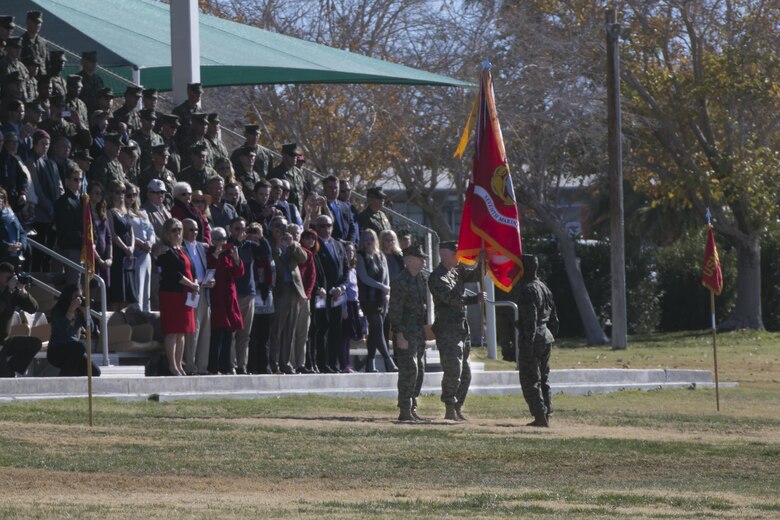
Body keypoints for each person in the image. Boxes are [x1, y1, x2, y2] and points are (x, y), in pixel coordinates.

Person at [428, 241, 485, 421]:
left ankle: (458, 406)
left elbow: (475, 275)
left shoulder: (456, 271)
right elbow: (450, 299)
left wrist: (483, 262)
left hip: (461, 328)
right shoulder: (437, 277)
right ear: (444, 255)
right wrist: (474, 299)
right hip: (447, 330)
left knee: (465, 373)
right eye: (455, 254)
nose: (459, 257)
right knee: (453, 370)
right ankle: (449, 407)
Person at [513, 254, 559, 427]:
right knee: (544, 377)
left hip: (533, 339)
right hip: (546, 336)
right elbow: (555, 319)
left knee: (530, 378)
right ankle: (548, 412)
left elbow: (530, 321)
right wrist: (550, 335)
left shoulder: (528, 290)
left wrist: (528, 343)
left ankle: (539, 415)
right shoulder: (544, 287)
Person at [387, 244, 429, 422]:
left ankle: (412, 407)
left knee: (419, 370)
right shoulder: (400, 281)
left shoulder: (420, 278)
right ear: (409, 260)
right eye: (420, 258)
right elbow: (394, 310)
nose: (423, 261)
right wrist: (399, 334)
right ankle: (404, 409)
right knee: (408, 370)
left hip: (418, 331)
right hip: (405, 331)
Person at [156, 218, 199, 376]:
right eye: (174, 230)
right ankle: (172, 365)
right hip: (172, 294)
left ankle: (180, 364)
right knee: (172, 331)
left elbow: (191, 270)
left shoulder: (182, 249)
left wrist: (195, 282)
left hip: (185, 294)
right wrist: (191, 285)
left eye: (180, 230)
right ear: (167, 232)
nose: (177, 233)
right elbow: (174, 274)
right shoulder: (166, 250)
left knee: (182, 332)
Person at [268, 216, 306, 374]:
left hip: (293, 290)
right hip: (278, 290)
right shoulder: (269, 244)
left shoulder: (292, 243)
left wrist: (291, 245)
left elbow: (303, 258)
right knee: (277, 329)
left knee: (290, 329)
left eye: (283, 227)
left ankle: (285, 362)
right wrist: (277, 247)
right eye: (277, 227)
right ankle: (274, 363)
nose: (280, 230)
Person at [356, 229, 396, 373]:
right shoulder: (360, 256)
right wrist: (383, 287)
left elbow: (386, 276)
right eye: (365, 239)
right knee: (377, 328)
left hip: (382, 298)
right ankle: (388, 360)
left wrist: (387, 292)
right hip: (368, 298)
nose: (368, 241)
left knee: (374, 332)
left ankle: (370, 363)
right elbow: (364, 277)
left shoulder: (380, 255)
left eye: (371, 239)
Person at [313, 214, 348, 373]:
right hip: (322, 293)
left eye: (329, 226)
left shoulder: (338, 245)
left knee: (336, 328)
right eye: (322, 226)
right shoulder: (315, 245)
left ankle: (333, 363)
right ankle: (322, 363)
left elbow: (346, 269)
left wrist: (342, 287)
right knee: (322, 328)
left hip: (337, 294)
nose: (326, 229)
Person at [207, 227, 244, 374]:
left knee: (229, 332)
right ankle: (214, 366)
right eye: (218, 240)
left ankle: (226, 365)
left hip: (230, 296)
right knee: (218, 331)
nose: (221, 243)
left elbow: (239, 273)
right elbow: (210, 270)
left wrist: (236, 258)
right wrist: (216, 255)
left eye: (223, 240)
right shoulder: (210, 253)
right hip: (217, 296)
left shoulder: (229, 254)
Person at [181, 218, 213, 375]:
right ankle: (190, 366)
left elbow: (204, 267)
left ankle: (202, 366)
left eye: (195, 230)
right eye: (190, 230)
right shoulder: (180, 247)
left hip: (204, 290)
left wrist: (210, 280)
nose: (194, 233)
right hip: (191, 292)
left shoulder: (200, 246)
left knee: (205, 331)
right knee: (193, 330)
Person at [47, 284, 102, 377]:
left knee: (95, 372)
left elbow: (91, 330)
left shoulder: (79, 312)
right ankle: (63, 378)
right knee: (79, 346)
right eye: (75, 297)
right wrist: (70, 310)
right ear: (68, 297)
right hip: (57, 351)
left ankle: (71, 380)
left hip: (74, 351)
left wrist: (86, 313)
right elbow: (63, 329)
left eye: (80, 296)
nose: (78, 299)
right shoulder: (58, 310)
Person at [0, 263, 41, 377]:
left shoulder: (12, 292)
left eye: (12, 278)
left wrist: (23, 293)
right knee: (6, 378)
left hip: (4, 341)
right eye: (8, 278)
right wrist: (8, 290)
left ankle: (12, 368)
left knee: (34, 344)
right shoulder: (8, 291)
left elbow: (33, 309)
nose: (10, 281)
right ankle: (7, 372)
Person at [106, 180, 137, 311]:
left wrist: (132, 248)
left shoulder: (125, 212)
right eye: (117, 192)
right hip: (118, 254)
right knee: (117, 290)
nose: (121, 195)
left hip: (128, 255)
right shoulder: (109, 212)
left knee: (127, 292)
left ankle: (123, 320)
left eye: (123, 192)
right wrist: (125, 248)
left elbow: (132, 232)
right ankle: (113, 323)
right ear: (111, 193)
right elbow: (112, 234)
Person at [247, 222, 273, 374]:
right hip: (251, 293)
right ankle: (251, 365)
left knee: (265, 334)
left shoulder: (264, 247)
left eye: (256, 231)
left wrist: (261, 238)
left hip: (264, 293)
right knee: (252, 334)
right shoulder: (246, 246)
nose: (253, 234)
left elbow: (266, 251)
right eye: (250, 231)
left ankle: (264, 365)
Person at [126, 183, 156, 313]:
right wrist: (139, 243)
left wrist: (150, 242)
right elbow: (127, 232)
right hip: (135, 252)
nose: (132, 197)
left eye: (134, 194)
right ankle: (137, 313)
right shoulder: (123, 213)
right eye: (129, 195)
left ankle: (146, 313)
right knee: (137, 286)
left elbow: (151, 231)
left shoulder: (142, 212)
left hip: (146, 252)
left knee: (146, 286)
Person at [53, 164, 83, 284]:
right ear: (67, 181)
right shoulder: (64, 202)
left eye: (80, 179)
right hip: (71, 249)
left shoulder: (82, 200)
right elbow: (67, 229)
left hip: (83, 248)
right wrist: (85, 239)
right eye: (75, 179)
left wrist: (92, 240)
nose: (78, 183)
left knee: (85, 285)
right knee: (74, 285)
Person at [339, 241, 361, 373]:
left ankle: (347, 363)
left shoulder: (353, 269)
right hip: (345, 304)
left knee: (349, 336)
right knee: (343, 336)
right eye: (347, 251)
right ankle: (344, 363)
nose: (350, 254)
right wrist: (344, 308)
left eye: (352, 251)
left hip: (353, 304)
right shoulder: (343, 269)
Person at [267, 143, 308, 210]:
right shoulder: (275, 173)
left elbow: (302, 193)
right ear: (284, 155)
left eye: (296, 155)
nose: (295, 158)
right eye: (292, 155)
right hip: (282, 211)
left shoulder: (298, 173)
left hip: (298, 212)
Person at [87, 182, 112, 286]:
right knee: (93, 288)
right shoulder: (85, 212)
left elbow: (109, 238)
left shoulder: (102, 212)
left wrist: (110, 258)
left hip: (105, 258)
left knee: (103, 290)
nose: (99, 196)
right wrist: (99, 260)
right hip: (93, 258)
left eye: (101, 193)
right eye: (96, 193)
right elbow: (88, 239)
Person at [323, 175, 358, 243]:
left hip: (347, 247)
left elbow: (352, 228)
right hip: (330, 244)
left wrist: (350, 243)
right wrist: (338, 241)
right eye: (330, 187)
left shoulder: (345, 206)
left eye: (336, 187)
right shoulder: (321, 206)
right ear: (324, 188)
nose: (334, 190)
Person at [0, 187, 27, 267]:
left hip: (16, 258)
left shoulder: (11, 215)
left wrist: (22, 245)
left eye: (2, 197)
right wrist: (7, 247)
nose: (0, 200)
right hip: (3, 258)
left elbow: (22, 232)